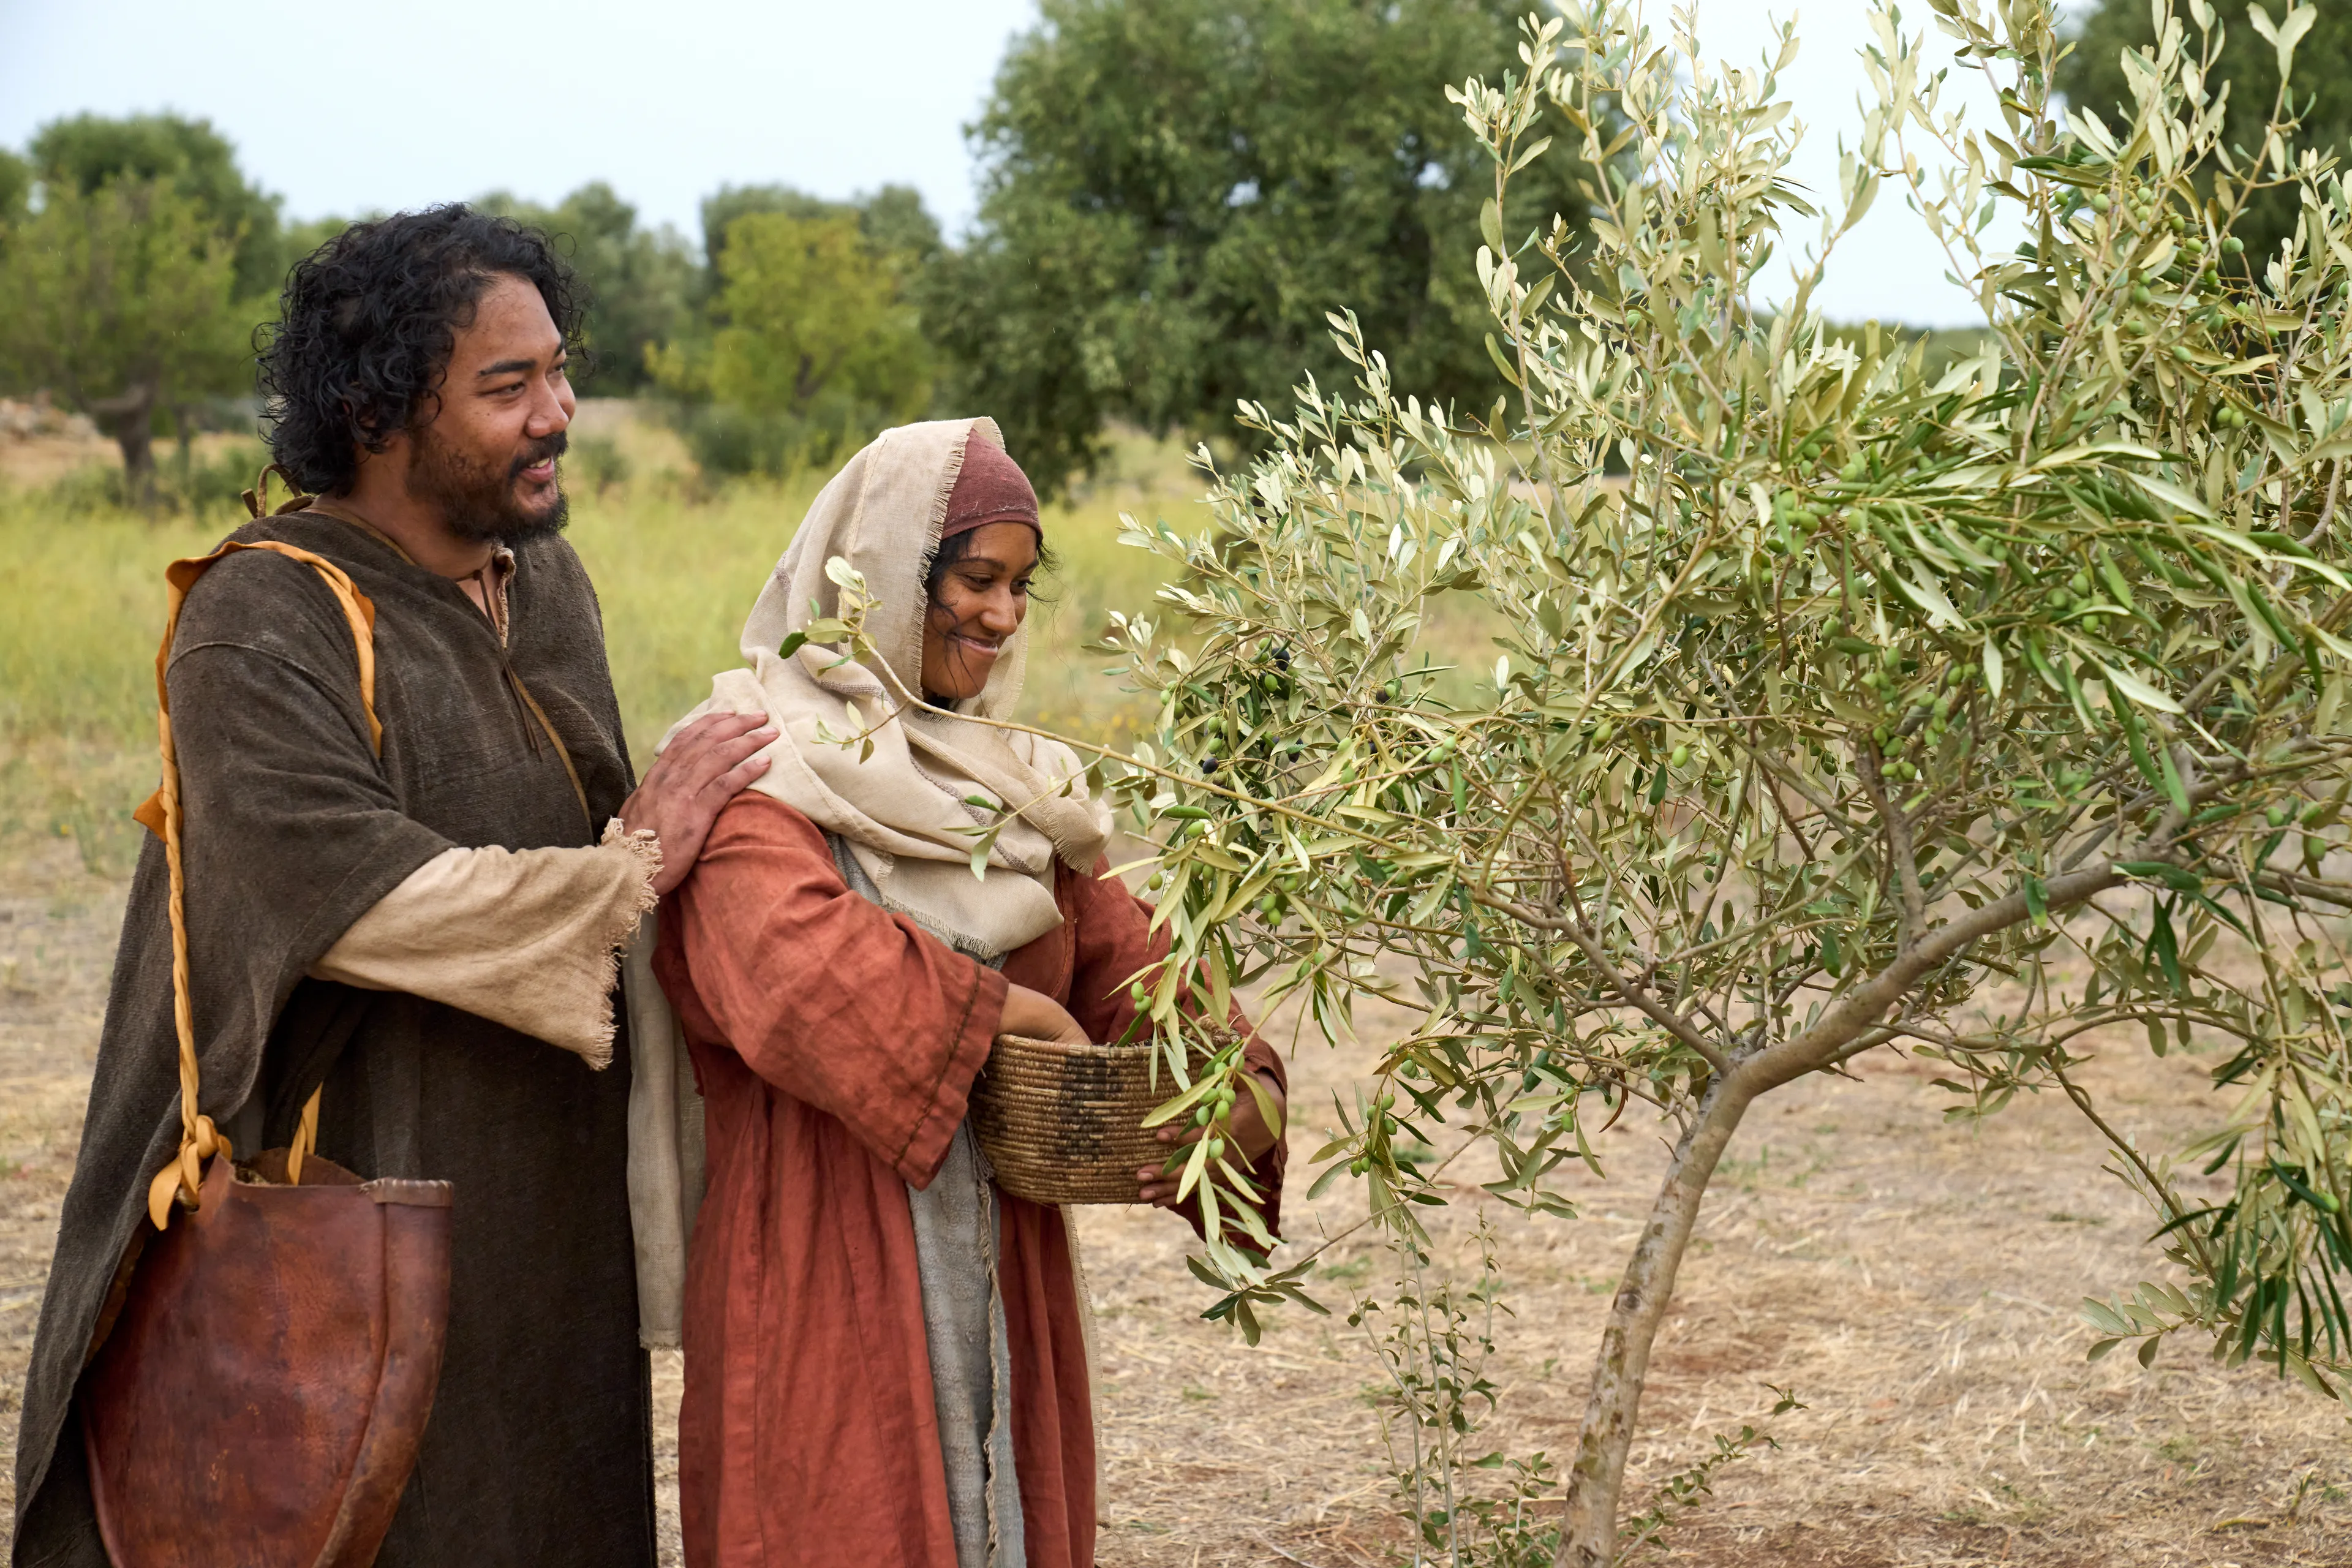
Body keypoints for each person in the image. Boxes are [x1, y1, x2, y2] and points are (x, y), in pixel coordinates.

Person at [10, 206, 772, 1568]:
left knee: (549, 1496)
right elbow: (368, 898)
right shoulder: (261, 618)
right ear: (379, 413)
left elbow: (599, 842)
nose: (559, 411)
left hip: (547, 1197)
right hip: (343, 1203)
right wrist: (638, 854)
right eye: (507, 386)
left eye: (558, 369)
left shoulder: (544, 581)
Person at [651, 418, 1290, 1568]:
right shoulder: (751, 774)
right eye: (975, 580)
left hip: (1005, 1265)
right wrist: (1005, 1017)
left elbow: (1125, 960)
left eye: (1019, 588)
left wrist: (1230, 1078)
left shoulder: (1012, 796)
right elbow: (797, 978)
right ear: (883, 577)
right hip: (814, 1262)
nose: (1001, 616)